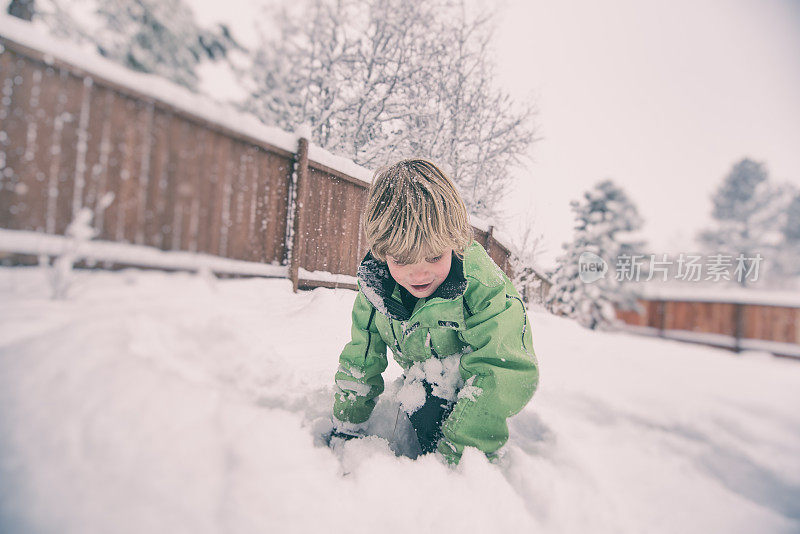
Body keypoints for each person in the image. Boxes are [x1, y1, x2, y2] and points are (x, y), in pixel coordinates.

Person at [329, 159, 539, 465]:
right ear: (381, 253)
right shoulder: (377, 290)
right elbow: (362, 358)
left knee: (433, 412)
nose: (419, 274)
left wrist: (458, 457)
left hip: (470, 385)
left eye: (434, 256)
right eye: (401, 260)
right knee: (419, 403)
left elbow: (503, 370)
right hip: (423, 379)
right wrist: (347, 425)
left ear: (454, 243)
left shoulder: (482, 287)